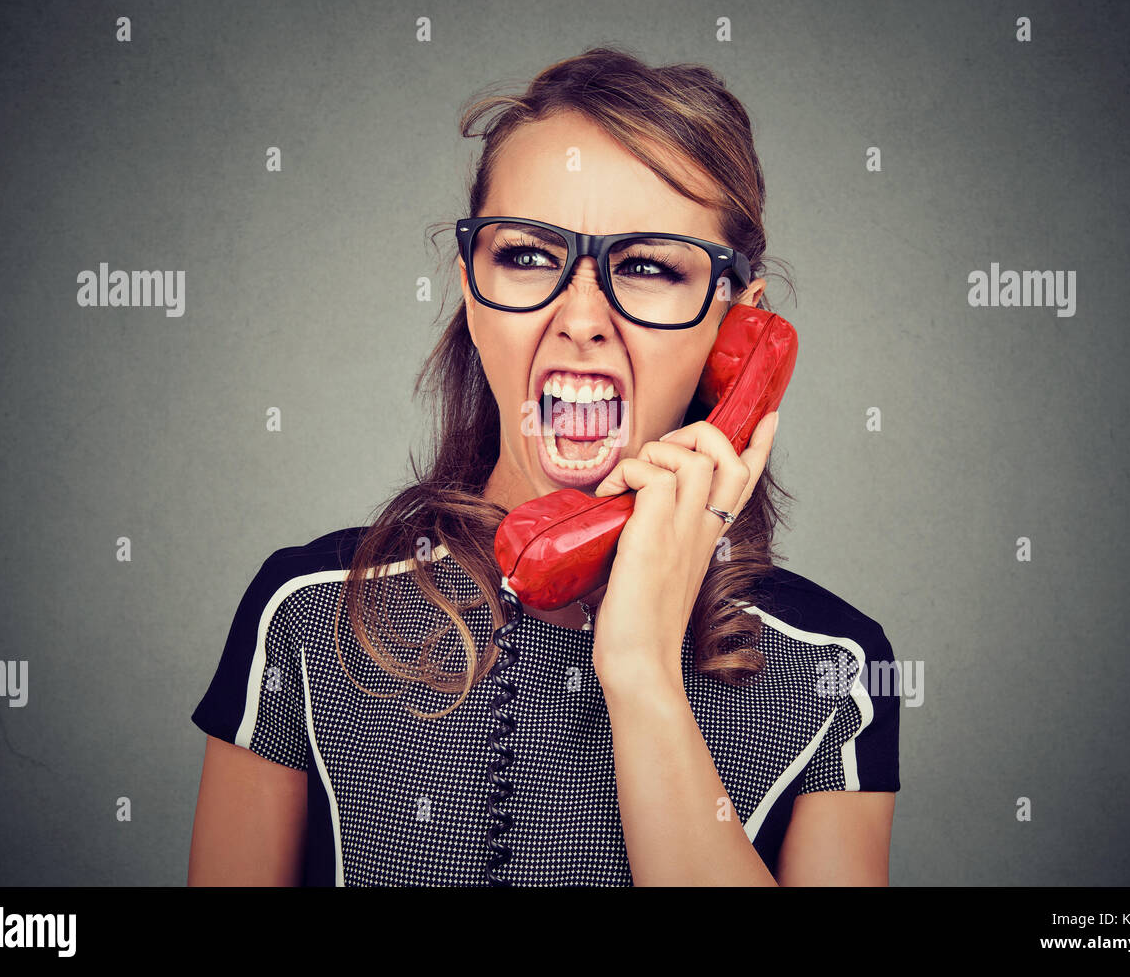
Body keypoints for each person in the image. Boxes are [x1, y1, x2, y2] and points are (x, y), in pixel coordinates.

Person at [187, 46, 900, 887]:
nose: (581, 317)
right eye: (527, 254)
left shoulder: (832, 670)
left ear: (735, 333)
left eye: (647, 265)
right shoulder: (308, 618)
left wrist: (640, 673)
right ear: (471, 290)